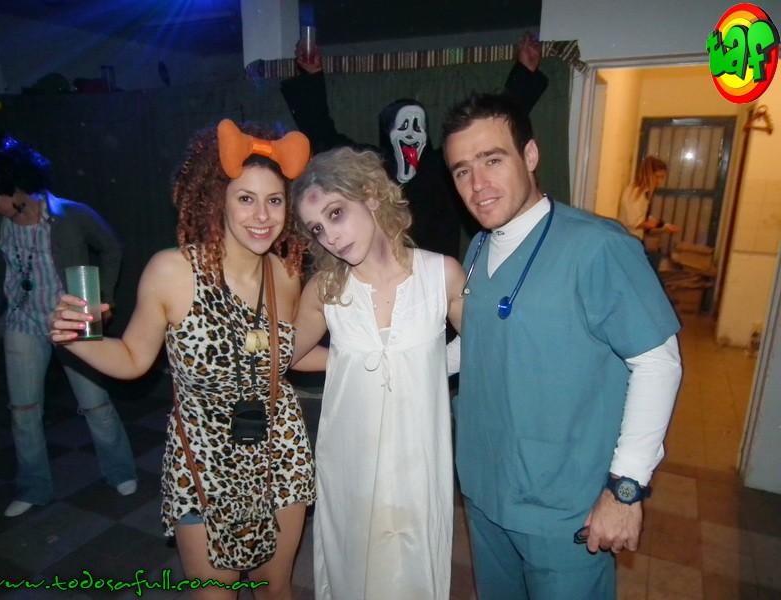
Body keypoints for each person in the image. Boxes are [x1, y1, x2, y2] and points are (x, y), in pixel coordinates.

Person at [49, 120, 318, 599]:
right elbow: (132, 358)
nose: (262, 215)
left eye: (275, 200)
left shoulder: (286, 274)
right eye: (246, 198)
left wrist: (368, 358)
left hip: (280, 452)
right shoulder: (172, 271)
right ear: (218, 200)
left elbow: (285, 356)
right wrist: (75, 339)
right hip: (204, 460)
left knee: (275, 589)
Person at [441, 93, 683, 599]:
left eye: (492, 160)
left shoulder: (598, 247)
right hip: (485, 491)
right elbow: (481, 340)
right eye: (462, 170)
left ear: (530, 156)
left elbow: (658, 364)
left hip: (563, 508)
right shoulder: (481, 246)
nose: (477, 185)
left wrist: (625, 490)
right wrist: (405, 368)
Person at [289, 147, 465, 600]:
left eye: (335, 213)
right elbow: (287, 355)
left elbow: (483, 347)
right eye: (317, 228)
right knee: (355, 567)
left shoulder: (441, 274)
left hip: (418, 460)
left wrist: (426, 363)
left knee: (413, 569)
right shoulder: (325, 290)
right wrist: (350, 361)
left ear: (370, 196)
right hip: (351, 458)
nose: (330, 235)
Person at [281, 32, 548, 260]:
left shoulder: (444, 170)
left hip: (437, 285)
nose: (411, 135)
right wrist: (312, 76)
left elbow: (492, 130)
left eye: (417, 127)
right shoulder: (372, 168)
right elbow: (324, 136)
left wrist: (524, 74)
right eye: (404, 127)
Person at [0, 133, 137, 518]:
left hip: (71, 322)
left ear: (14, 185)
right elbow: (1, 266)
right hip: (23, 320)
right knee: (23, 409)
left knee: (96, 404)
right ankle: (34, 487)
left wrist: (103, 300)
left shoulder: (70, 214)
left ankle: (120, 470)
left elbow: (112, 248)